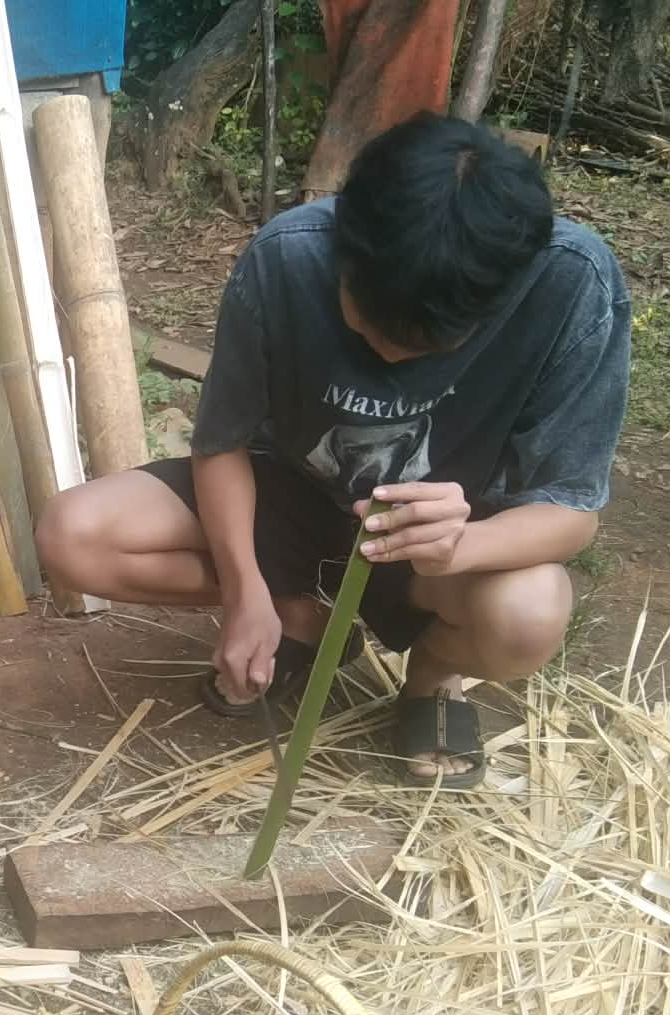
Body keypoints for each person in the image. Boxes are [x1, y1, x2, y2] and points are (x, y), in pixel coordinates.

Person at [38, 113, 629, 786]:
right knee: (73, 535)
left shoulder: (571, 283)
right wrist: (242, 590)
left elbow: (572, 512)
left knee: (530, 614)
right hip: (291, 497)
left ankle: (435, 675)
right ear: (342, 244)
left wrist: (456, 546)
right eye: (367, 323)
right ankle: (304, 614)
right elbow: (222, 443)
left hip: (439, 543)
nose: (388, 353)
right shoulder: (289, 255)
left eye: (426, 345)